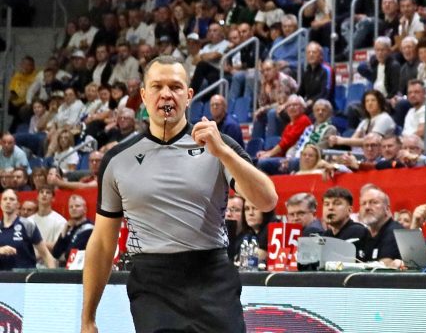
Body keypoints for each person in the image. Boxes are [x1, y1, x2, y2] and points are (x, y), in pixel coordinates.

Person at [81, 56, 278, 333]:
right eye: (157, 86)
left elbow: (267, 200)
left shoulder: (219, 145)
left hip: (212, 277)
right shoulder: (117, 159)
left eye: (175, 87)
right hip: (153, 284)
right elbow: (103, 243)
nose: (166, 94)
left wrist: (223, 152)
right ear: (143, 96)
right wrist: (88, 317)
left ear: (189, 96)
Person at [0, 188, 55, 270]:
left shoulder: (27, 224)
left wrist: (53, 274)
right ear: (1, 204)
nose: (8, 202)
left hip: (25, 276)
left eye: (12, 199)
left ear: (18, 204)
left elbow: (46, 254)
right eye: (5, 199)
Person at [52, 193, 93, 267]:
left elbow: (71, 254)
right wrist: (64, 231)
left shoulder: (89, 228)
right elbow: (55, 253)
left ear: (85, 209)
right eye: (71, 207)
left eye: (77, 206)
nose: (74, 208)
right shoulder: (69, 229)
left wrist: (63, 256)